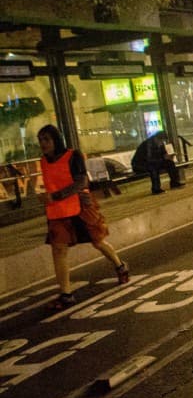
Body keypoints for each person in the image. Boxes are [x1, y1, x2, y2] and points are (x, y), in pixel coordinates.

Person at [37, 124, 129, 310]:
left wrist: (55, 196)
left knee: (98, 241)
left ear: (56, 139)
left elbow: (81, 182)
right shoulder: (43, 161)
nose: (43, 144)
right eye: (40, 140)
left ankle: (120, 266)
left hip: (80, 207)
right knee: (59, 250)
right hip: (58, 212)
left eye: (46, 139)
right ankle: (66, 294)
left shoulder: (73, 156)